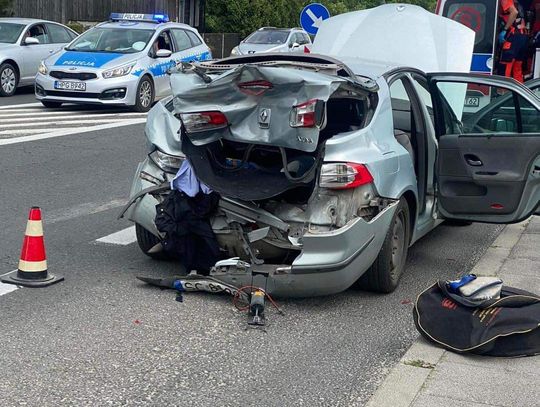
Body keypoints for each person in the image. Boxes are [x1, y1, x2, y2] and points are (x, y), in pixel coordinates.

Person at [497, 0, 529, 82]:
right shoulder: (518, 3)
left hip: (513, 37)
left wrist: (504, 29)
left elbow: (514, 12)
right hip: (523, 37)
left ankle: (503, 92)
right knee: (517, 68)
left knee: (505, 67)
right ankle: (519, 93)